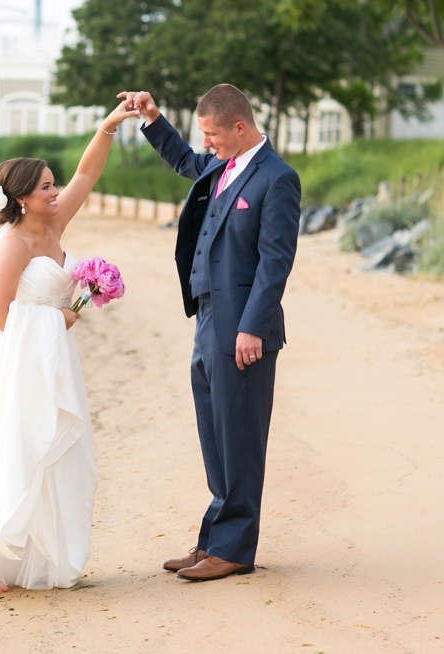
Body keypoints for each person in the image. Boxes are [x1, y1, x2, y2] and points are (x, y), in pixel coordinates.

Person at [0, 99, 139, 598]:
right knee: (13, 450)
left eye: (53, 183)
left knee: (61, 455)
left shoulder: (55, 226)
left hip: (53, 360)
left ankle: (40, 561)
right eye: (45, 187)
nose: (56, 191)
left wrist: (109, 125)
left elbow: (87, 173)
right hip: (18, 363)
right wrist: (58, 317)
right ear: (21, 199)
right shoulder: (12, 244)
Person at [120, 85, 300, 581]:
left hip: (243, 326)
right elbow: (183, 160)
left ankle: (235, 549)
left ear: (239, 128)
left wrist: (252, 327)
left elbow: (276, 261)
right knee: (214, 432)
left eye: (213, 135)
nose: (209, 144)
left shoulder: (277, 178)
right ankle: (213, 539)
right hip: (205, 318)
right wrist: (153, 118)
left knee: (238, 433)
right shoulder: (222, 166)